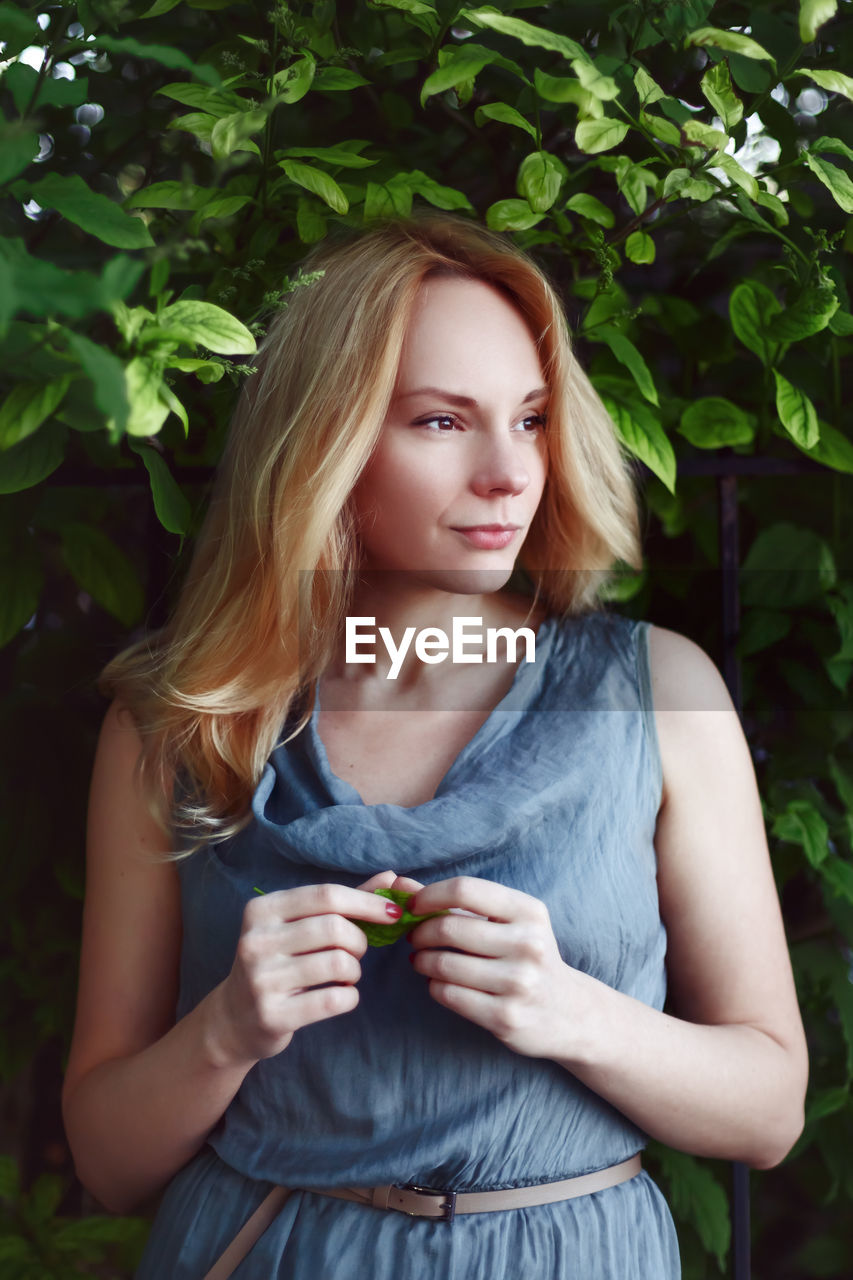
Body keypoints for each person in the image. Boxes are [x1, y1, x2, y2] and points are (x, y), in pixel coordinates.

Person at [62, 214, 808, 1280]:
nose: (510, 472)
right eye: (442, 421)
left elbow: (771, 1106)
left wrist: (572, 1011)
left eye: (533, 417)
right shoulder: (177, 723)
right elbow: (106, 1157)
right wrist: (224, 1028)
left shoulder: (655, 693)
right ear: (327, 440)